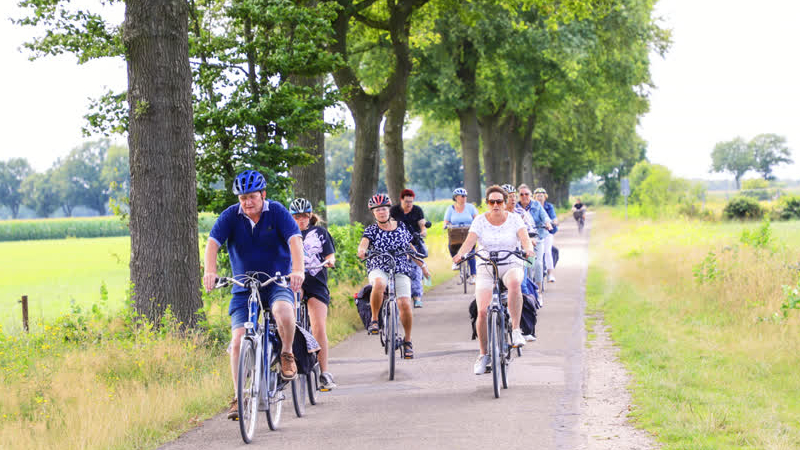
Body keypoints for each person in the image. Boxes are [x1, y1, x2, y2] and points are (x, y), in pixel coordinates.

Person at [202, 170, 305, 421]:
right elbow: (213, 243)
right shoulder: (230, 216)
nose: (247, 202)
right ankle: (239, 396)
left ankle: (287, 353)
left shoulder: (277, 212)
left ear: (263, 195)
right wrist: (210, 271)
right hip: (243, 286)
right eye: (242, 198)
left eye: (252, 197)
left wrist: (298, 270)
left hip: (276, 281)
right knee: (238, 341)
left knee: (283, 312)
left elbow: (295, 240)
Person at [452, 185, 535, 375]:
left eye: (499, 201)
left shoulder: (515, 219)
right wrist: (460, 255)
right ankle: (483, 355)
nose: (495, 205)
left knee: (515, 283)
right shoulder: (480, 221)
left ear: (505, 203)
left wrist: (528, 249)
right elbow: (469, 242)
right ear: (487, 203)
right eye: (491, 202)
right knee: (482, 311)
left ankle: (516, 330)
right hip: (486, 266)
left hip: (510, 262)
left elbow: (525, 238)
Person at [358, 194, 431, 359]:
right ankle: (374, 320)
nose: (381, 212)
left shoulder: (401, 226)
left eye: (384, 209)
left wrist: (423, 266)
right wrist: (362, 251)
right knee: (379, 283)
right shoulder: (371, 230)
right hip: (378, 266)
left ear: (389, 210)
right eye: (377, 210)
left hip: (400, 268)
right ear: (373, 213)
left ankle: (408, 341)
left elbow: (410, 248)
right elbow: (363, 245)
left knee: (405, 303)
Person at [288, 198, 337, 391]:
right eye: (296, 217)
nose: (300, 220)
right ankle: (288, 358)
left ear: (310, 216)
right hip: (295, 281)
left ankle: (324, 373)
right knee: (288, 316)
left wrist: (330, 261)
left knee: (318, 326)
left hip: (316, 282)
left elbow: (329, 254)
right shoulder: (286, 233)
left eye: (303, 216)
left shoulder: (320, 232)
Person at [390, 189, 428, 308]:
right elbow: (390, 225)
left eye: (411, 201)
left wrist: (423, 232)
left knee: (415, 271)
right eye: (406, 201)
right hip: (398, 246)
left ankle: (417, 298)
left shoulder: (417, 210)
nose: (409, 204)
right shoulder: (394, 211)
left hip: (414, 244)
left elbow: (423, 225)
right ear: (401, 200)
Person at [515, 184, 551, 290]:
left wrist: (548, 224)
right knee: (528, 264)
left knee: (538, 264)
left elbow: (544, 216)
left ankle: (538, 288)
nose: (524, 196)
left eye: (526, 194)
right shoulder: (516, 207)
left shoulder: (536, 205)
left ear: (530, 195)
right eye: (521, 194)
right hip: (523, 240)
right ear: (518, 196)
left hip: (537, 237)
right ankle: (529, 287)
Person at [444, 187, 479, 282]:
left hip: (469, 233)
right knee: (451, 245)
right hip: (456, 234)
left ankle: (474, 275)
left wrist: (476, 224)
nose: (464, 198)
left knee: (471, 252)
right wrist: (446, 225)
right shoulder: (450, 209)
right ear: (456, 197)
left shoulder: (470, 207)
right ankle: (456, 262)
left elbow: (476, 218)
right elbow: (446, 221)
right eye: (462, 196)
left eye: (465, 196)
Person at [535, 188, 558, 283]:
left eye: (541, 196)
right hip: (534, 233)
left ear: (545, 197)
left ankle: (550, 274)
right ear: (534, 197)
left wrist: (554, 222)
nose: (540, 198)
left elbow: (553, 217)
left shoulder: (549, 206)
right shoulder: (532, 206)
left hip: (546, 232)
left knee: (547, 251)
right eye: (538, 196)